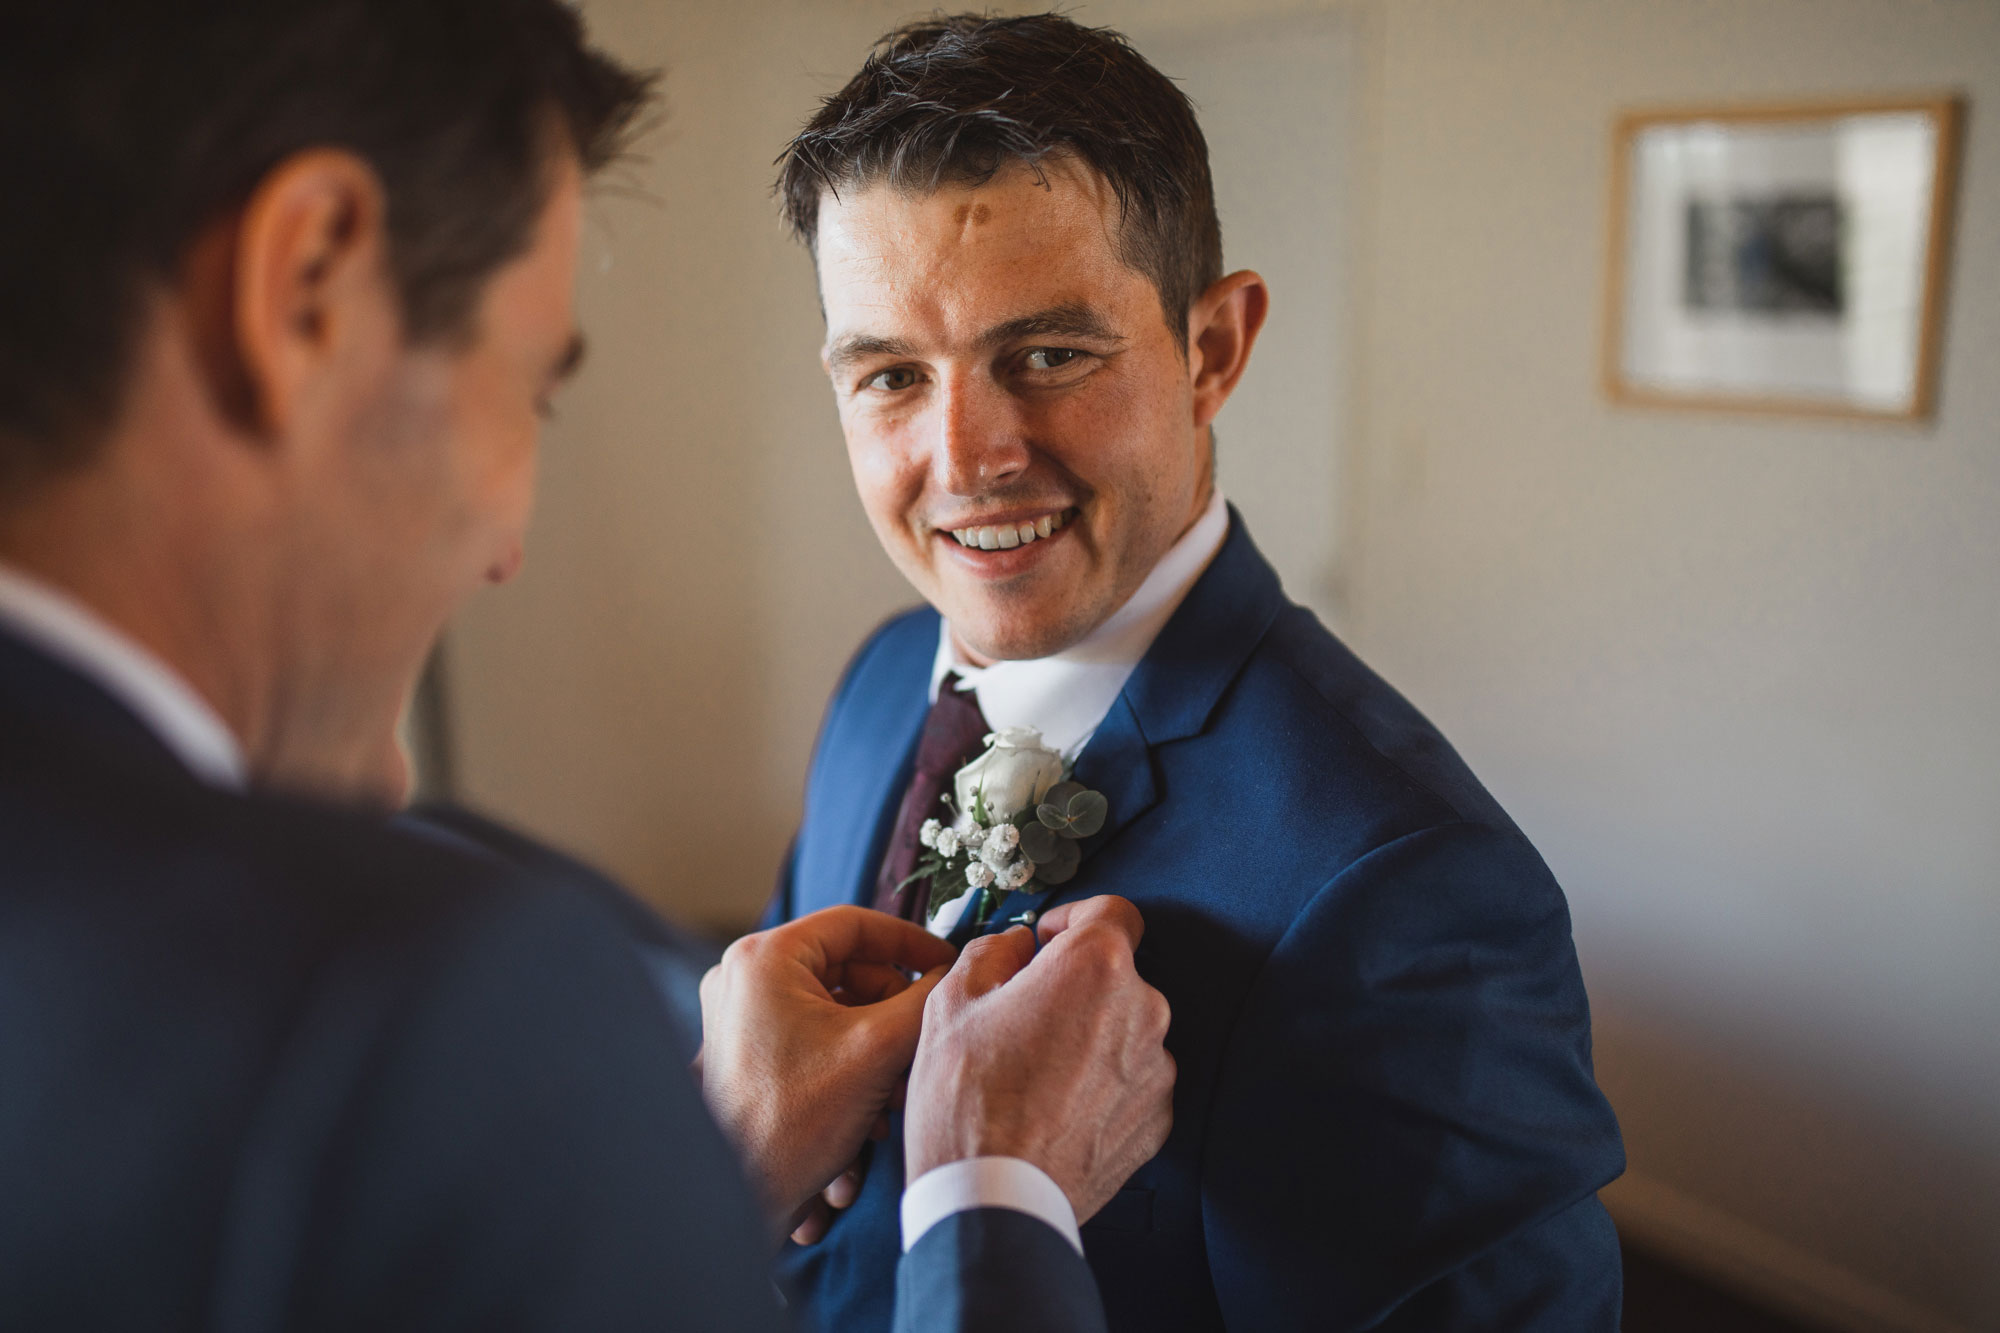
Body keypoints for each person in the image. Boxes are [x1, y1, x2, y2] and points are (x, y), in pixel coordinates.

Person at [0, 3, 1173, 1330]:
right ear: (306, 288)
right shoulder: (422, 1005)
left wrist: (703, 1177)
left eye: (1051, 355)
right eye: (523, 390)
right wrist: (996, 1203)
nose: (509, 546)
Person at [763, 13, 1627, 1331]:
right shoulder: (884, 681)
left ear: (1213, 348)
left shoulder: (1413, 894)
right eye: (889, 375)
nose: (966, 455)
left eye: (1047, 354)